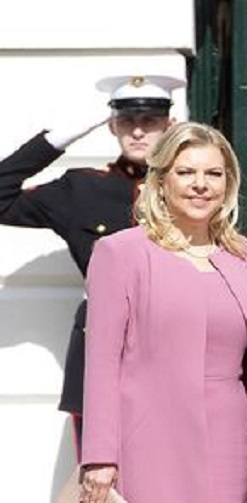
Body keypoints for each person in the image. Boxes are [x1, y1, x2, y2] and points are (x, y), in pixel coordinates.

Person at [79, 121, 247, 503]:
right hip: (151, 436)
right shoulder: (121, 252)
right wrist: (99, 455)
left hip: (231, 434)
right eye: (186, 172)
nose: (201, 184)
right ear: (162, 181)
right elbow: (101, 362)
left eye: (213, 174)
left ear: (228, 184)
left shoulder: (241, 253)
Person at [0, 74, 182, 444]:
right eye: (127, 121)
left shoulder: (193, 186)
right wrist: (60, 137)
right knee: (98, 466)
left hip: (175, 344)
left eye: (149, 121)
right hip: (101, 346)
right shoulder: (82, 188)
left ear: (170, 125)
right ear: (112, 125)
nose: (137, 132)